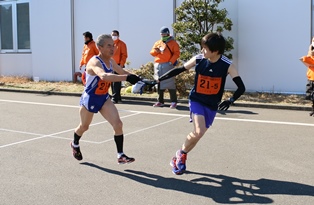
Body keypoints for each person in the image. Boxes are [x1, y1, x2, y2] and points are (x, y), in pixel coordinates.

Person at [157, 33, 246, 175]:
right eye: (202, 47)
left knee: (200, 133)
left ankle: (181, 153)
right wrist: (159, 80)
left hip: (211, 104)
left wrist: (230, 100)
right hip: (197, 99)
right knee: (199, 131)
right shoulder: (198, 59)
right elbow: (180, 70)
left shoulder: (227, 65)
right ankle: (181, 157)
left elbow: (241, 87)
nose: (202, 51)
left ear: (215, 51)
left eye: (205, 48)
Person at [70, 34, 141, 164]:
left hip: (103, 98)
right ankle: (75, 143)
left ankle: (121, 155)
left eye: (113, 45)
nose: (112, 48)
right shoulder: (94, 62)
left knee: (118, 124)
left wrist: (138, 79)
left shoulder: (111, 61)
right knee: (84, 127)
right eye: (109, 46)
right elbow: (104, 76)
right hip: (90, 99)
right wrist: (126, 78)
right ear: (100, 47)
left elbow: (121, 71)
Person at [150, 26, 180, 109]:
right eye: (162, 34)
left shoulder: (173, 43)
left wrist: (171, 61)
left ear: (168, 34)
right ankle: (160, 101)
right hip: (158, 64)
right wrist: (156, 51)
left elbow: (176, 53)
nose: (163, 36)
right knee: (159, 83)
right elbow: (152, 52)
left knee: (170, 83)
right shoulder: (158, 42)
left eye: (165, 34)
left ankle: (174, 101)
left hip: (168, 64)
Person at [111, 30, 128, 103]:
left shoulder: (122, 44)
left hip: (118, 65)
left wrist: (121, 64)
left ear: (118, 35)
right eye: (112, 35)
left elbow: (124, 55)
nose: (113, 36)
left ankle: (115, 97)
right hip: (110, 65)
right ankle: (117, 97)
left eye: (115, 35)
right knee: (112, 81)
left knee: (117, 81)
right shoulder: (110, 44)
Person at [300, 36, 314, 116]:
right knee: (312, 96)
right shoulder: (311, 54)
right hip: (311, 78)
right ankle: (313, 109)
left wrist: (305, 58)